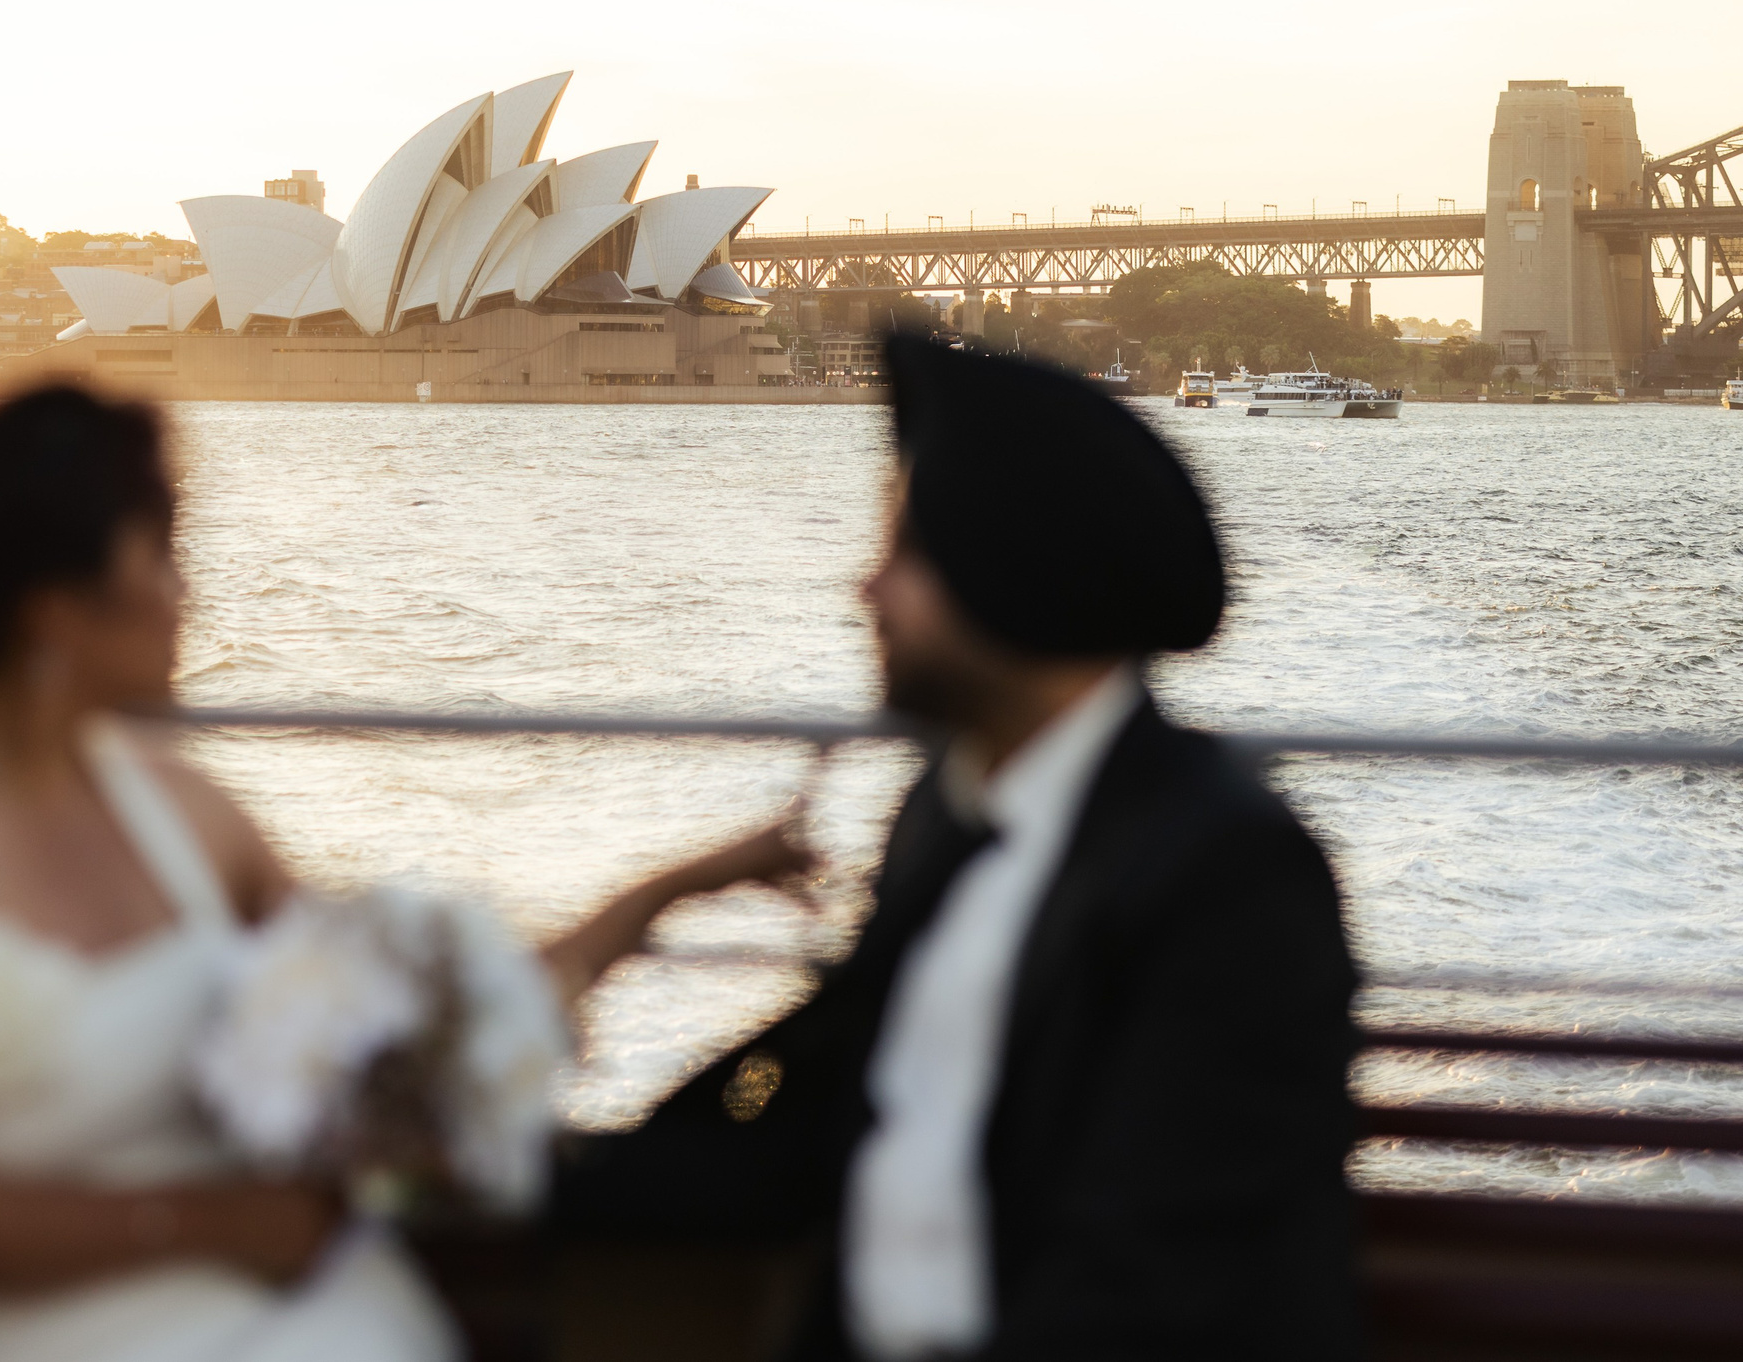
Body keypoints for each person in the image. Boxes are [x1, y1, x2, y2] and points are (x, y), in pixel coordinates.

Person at [0, 383, 804, 1362]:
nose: (186, 594)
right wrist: (206, 1221)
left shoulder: (189, 816)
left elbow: (430, 1015)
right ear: (51, 607)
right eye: (162, 555)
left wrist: (678, 884)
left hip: (297, 1308)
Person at [554, 334, 1359, 1359]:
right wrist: (512, 1169)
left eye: (904, 552)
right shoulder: (943, 812)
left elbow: (1155, 1273)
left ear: (1012, 570)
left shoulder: (1228, 871)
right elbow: (817, 1120)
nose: (865, 589)